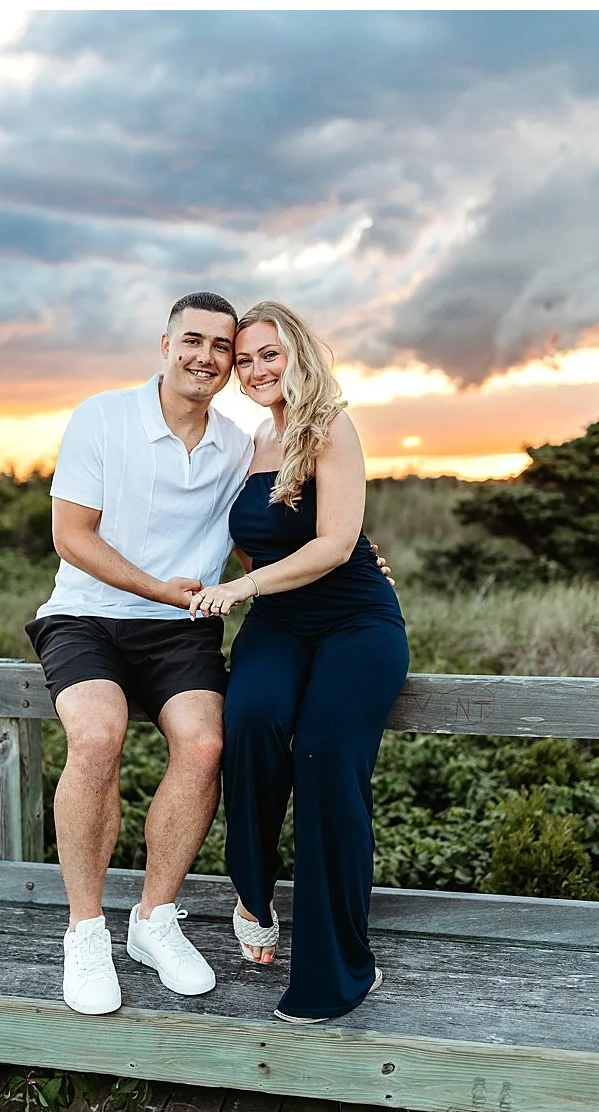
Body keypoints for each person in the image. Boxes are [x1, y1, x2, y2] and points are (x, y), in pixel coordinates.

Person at [25, 292, 254, 1015]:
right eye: (193, 340)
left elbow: (263, 532)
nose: (205, 357)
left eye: (222, 346)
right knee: (97, 736)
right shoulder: (103, 416)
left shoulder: (239, 443)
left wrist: (352, 556)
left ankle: (154, 919)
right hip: (86, 616)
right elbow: (72, 536)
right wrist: (157, 585)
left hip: (181, 627)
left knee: (207, 742)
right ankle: (85, 929)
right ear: (164, 344)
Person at [188, 300, 409, 1023]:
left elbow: (336, 544)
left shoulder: (330, 425)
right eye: (244, 359)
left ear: (299, 353)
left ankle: (342, 969)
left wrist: (242, 586)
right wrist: (249, 579)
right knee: (247, 717)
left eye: (268, 354)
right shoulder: (254, 437)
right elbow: (261, 538)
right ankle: (253, 894)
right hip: (281, 620)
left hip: (354, 621)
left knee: (321, 755)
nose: (254, 370)